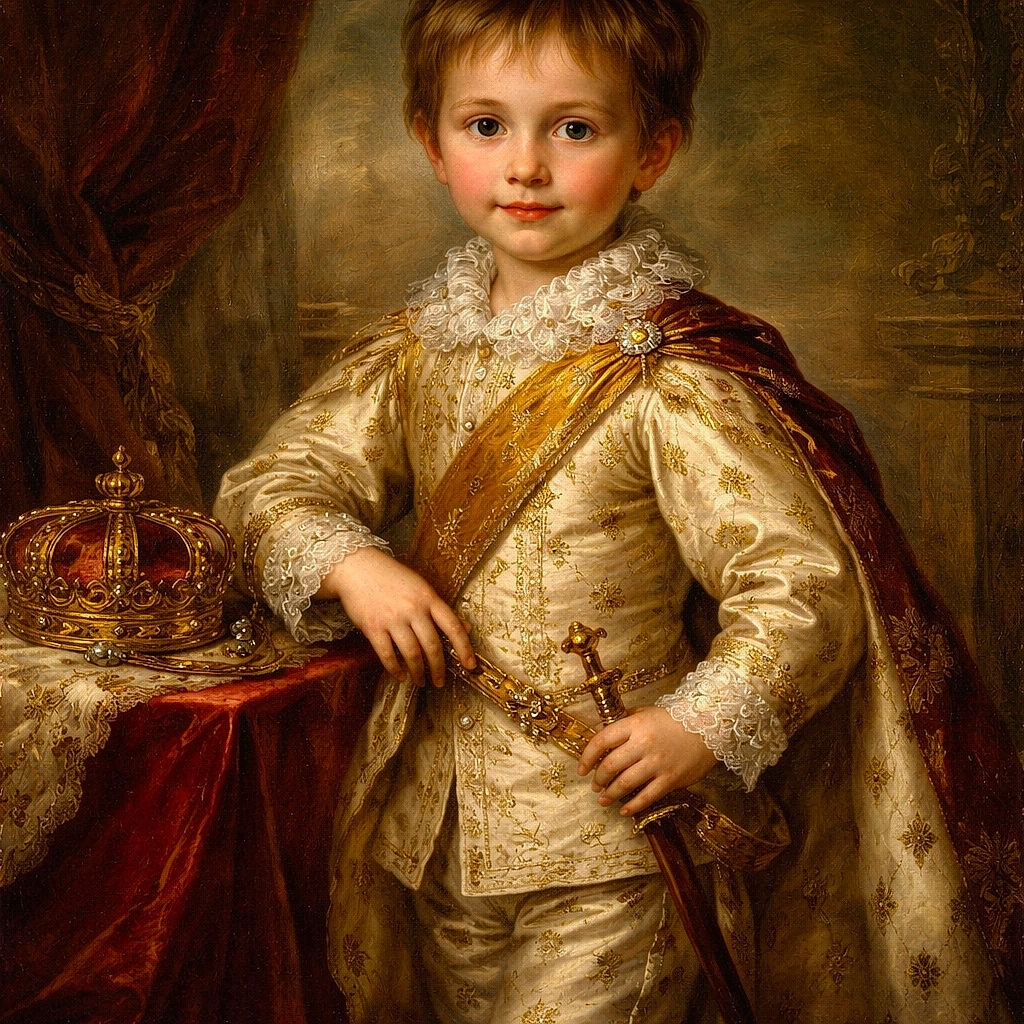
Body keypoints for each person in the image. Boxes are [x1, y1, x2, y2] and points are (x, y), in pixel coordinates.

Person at [214, 1, 1023, 1021]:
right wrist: (350, 562)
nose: (525, 167)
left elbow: (804, 588)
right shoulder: (416, 348)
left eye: (575, 129)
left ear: (654, 150)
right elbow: (268, 485)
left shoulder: (672, 374)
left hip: (615, 841)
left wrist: (695, 726)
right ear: (430, 144)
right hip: (434, 830)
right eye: (486, 125)